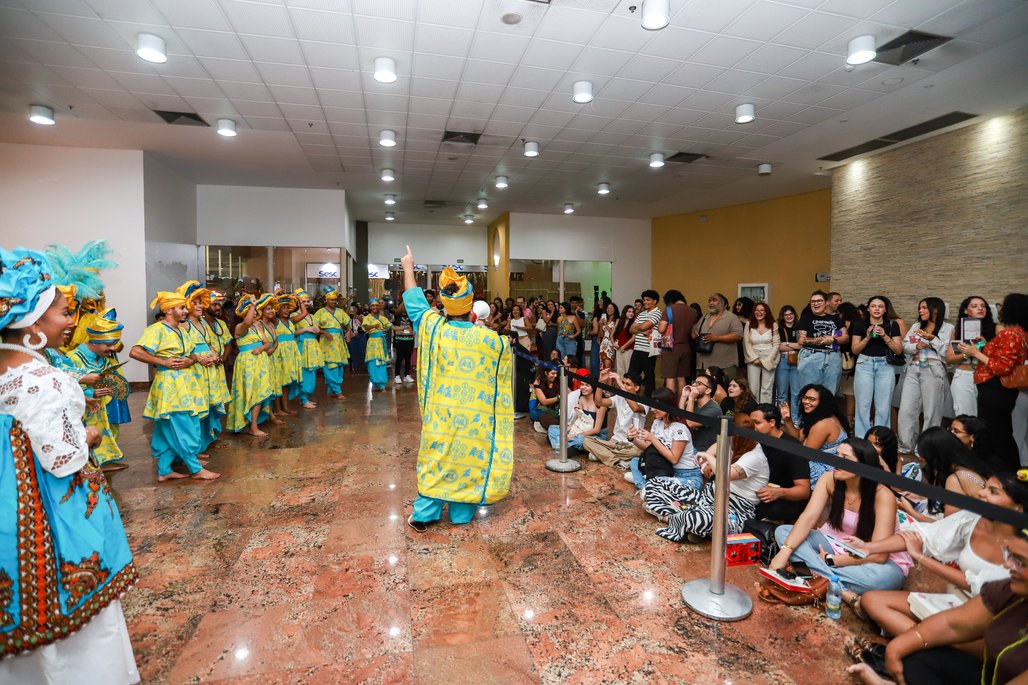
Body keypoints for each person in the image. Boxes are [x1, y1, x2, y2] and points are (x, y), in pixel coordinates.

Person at [0, 248, 141, 683]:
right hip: (45, 509)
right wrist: (90, 435)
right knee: (67, 601)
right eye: (63, 312)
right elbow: (65, 458)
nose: (70, 322)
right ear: (32, 323)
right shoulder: (44, 380)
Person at [399, 247, 513, 532]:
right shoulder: (493, 342)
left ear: (445, 305)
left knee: (438, 459)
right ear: (471, 306)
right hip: (475, 419)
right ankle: (461, 514)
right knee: (468, 459)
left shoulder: (433, 328)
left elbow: (414, 302)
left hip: (442, 417)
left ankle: (424, 515)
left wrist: (409, 268)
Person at [853, 471, 1023, 644]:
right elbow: (922, 535)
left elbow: (982, 585)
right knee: (871, 600)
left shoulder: (1022, 548)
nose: (981, 493)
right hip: (953, 600)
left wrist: (920, 557)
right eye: (985, 487)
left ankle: (920, 644)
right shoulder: (972, 519)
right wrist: (868, 547)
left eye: (993, 492)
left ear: (1019, 507)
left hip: (985, 618)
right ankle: (928, 644)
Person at [847, 527, 1028, 685]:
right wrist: (897, 648)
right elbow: (953, 624)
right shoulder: (1007, 590)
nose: (1008, 565)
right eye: (1010, 555)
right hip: (984, 677)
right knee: (916, 658)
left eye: (1020, 562)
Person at [771, 438, 912, 614]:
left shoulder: (882, 495)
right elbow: (808, 517)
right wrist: (785, 550)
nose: (836, 461)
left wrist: (833, 560)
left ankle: (813, 575)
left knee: (884, 579)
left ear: (863, 465)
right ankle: (844, 592)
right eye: (837, 455)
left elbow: (879, 556)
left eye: (845, 458)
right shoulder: (829, 479)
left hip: (874, 560)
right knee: (783, 532)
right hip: (834, 542)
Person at [129, 291, 221, 482]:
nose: (186, 310)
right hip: (171, 387)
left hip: (185, 384)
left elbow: (193, 353)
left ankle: (164, 470)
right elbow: (135, 351)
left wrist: (191, 360)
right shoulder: (157, 330)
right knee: (185, 426)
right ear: (169, 310)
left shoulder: (180, 330)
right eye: (182, 307)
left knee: (166, 429)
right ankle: (195, 469)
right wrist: (161, 362)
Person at [642, 413, 769, 542]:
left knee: (699, 519)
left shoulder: (755, 456)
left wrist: (709, 458)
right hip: (707, 498)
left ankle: (674, 518)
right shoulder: (736, 443)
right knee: (653, 485)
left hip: (734, 510)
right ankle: (688, 524)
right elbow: (718, 445)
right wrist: (707, 458)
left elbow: (725, 474)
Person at [963, 293, 1028, 473]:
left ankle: (1006, 476)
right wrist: (986, 345)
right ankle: (1002, 473)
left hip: (995, 389)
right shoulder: (1020, 333)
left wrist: (975, 353)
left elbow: (1002, 368)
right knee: (1000, 433)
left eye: (1002, 305)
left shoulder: (1010, 334)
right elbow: (1003, 359)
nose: (999, 309)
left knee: (997, 435)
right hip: (999, 390)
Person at [67, 308, 129, 469]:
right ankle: (92, 461)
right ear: (94, 341)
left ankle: (105, 460)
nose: (113, 349)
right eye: (109, 345)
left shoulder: (104, 356)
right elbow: (66, 382)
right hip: (87, 408)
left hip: (105, 403)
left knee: (110, 428)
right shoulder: (73, 357)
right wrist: (89, 392)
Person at [899, 426, 989, 522]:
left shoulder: (956, 479)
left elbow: (947, 528)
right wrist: (918, 496)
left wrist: (910, 511)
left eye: (926, 458)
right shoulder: (970, 466)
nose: (921, 460)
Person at [625, 387, 701, 491]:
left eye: (657, 407)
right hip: (667, 470)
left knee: (656, 481)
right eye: (652, 406)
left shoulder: (679, 428)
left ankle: (646, 485)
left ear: (668, 406)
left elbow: (674, 459)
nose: (652, 410)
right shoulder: (657, 422)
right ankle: (645, 486)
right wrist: (632, 439)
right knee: (634, 461)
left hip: (687, 476)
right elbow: (648, 447)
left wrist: (653, 439)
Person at [852, 295, 905, 439]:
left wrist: (885, 336)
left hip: (885, 365)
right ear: (868, 308)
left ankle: (880, 440)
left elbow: (898, 350)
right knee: (863, 405)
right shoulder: (859, 324)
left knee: (883, 407)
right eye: (873, 306)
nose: (877, 309)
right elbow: (855, 350)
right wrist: (867, 337)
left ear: (885, 309)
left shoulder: (893, 325)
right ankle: (861, 439)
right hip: (864, 364)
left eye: (880, 306)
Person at [224, 294, 276, 437]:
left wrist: (261, 349)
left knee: (259, 392)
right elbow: (247, 323)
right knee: (250, 393)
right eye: (251, 312)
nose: (254, 314)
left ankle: (253, 425)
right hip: (247, 363)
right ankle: (251, 426)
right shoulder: (240, 327)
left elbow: (267, 343)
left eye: (255, 311)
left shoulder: (257, 327)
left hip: (260, 362)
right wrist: (252, 304)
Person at [750, 404, 810, 523]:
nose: (753, 428)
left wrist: (779, 492)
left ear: (772, 422)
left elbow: (804, 491)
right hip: (757, 491)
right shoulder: (755, 439)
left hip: (784, 499)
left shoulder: (792, 447)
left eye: (757, 423)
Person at [781, 384, 849, 487]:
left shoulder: (822, 424)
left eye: (812, 399)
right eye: (805, 397)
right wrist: (787, 420)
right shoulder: (818, 417)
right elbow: (798, 438)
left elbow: (804, 455)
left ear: (822, 402)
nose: (806, 402)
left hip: (827, 470)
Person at [585, 370, 647, 469]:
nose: (624, 386)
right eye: (623, 383)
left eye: (628, 384)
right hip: (614, 442)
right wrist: (600, 382)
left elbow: (635, 408)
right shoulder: (619, 397)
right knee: (586, 441)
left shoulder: (644, 402)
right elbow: (599, 402)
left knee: (637, 452)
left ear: (636, 388)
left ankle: (604, 456)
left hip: (631, 445)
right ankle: (618, 461)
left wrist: (620, 385)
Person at [945, 296, 996, 417]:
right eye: (974, 306)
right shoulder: (958, 331)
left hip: (989, 378)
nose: (980, 308)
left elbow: (1003, 358)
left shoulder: (996, 329)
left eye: (983, 306)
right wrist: (966, 353)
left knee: (988, 418)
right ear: (965, 310)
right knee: (965, 418)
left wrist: (986, 345)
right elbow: (949, 359)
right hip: (964, 376)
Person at [796, 289, 848, 395]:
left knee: (830, 393)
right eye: (813, 301)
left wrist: (833, 339)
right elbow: (802, 340)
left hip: (833, 357)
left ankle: (827, 412)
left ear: (826, 303)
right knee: (809, 392)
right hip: (811, 356)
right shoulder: (806, 318)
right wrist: (824, 340)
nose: (816, 304)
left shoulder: (836, 319)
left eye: (819, 301)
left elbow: (846, 337)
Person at [546, 368, 607, 453]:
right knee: (552, 428)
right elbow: (579, 419)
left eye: (587, 385)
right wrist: (569, 428)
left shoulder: (601, 404)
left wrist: (575, 435)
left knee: (581, 440)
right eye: (582, 384)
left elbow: (596, 430)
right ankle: (565, 447)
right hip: (580, 429)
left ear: (593, 387)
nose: (583, 387)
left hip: (595, 434)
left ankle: (562, 444)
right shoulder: (581, 398)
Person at [692, 293, 744, 380]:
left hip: (724, 364)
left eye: (714, 300)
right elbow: (694, 330)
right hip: (703, 364)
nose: (711, 303)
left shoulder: (732, 317)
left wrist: (717, 338)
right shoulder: (704, 317)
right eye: (709, 301)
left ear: (723, 304)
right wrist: (693, 334)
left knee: (725, 390)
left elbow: (738, 336)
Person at [658, 289, 698, 397]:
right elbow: (693, 333)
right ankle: (681, 406)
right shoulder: (692, 312)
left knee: (670, 378)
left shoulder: (669, 310)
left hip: (670, 349)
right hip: (686, 348)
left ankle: (670, 407)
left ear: (669, 300)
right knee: (682, 378)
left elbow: (661, 329)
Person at [290, 289, 324, 409]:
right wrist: (306, 330)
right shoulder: (294, 315)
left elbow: (316, 329)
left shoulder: (313, 316)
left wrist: (317, 330)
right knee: (304, 372)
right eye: (303, 301)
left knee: (312, 372)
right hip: (302, 345)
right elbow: (291, 333)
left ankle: (306, 397)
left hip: (313, 346)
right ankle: (303, 398)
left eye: (307, 301)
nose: (306, 303)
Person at [313, 290, 350, 399]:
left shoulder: (340, 311)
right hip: (327, 342)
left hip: (339, 342)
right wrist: (324, 332)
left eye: (335, 300)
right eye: (331, 300)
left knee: (339, 367)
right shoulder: (320, 312)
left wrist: (348, 332)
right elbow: (314, 328)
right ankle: (338, 391)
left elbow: (347, 324)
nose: (334, 302)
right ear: (326, 300)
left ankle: (331, 390)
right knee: (330, 366)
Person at [678, 373, 724, 453]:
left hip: (705, 451)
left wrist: (691, 398)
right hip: (691, 447)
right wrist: (684, 396)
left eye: (698, 384)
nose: (694, 385)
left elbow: (690, 423)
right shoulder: (692, 404)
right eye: (694, 382)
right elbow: (680, 419)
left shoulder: (713, 409)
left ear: (708, 390)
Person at [744, 301, 780, 403]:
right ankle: (754, 410)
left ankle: (765, 412)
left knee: (767, 388)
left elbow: (776, 344)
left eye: (762, 310)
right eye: (757, 310)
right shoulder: (749, 324)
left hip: (769, 358)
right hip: (753, 358)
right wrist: (754, 358)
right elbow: (746, 343)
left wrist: (767, 361)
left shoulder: (773, 325)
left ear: (766, 312)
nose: (759, 312)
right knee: (753, 387)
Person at [629, 289, 662, 396]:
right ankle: (631, 397)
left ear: (655, 301)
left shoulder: (657, 313)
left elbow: (640, 326)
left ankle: (649, 401)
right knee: (631, 375)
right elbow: (631, 329)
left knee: (649, 378)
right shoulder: (642, 314)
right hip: (637, 349)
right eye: (644, 300)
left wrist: (639, 328)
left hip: (649, 351)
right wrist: (643, 330)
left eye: (648, 300)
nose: (645, 302)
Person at [273, 294, 303, 415]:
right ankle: (278, 409)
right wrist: (274, 296)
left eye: (288, 308)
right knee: (278, 381)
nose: (286, 310)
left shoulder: (291, 321)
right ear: (277, 309)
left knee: (286, 382)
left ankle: (285, 407)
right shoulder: (275, 321)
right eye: (283, 308)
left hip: (290, 354)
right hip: (279, 353)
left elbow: (304, 314)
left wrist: (300, 301)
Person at [776, 304, 802, 421]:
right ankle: (783, 417)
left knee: (796, 392)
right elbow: (778, 347)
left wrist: (786, 344)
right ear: (782, 316)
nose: (789, 316)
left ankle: (795, 418)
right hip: (782, 360)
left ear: (794, 315)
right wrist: (794, 346)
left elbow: (802, 345)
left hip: (797, 361)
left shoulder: (799, 327)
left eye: (791, 314)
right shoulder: (779, 328)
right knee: (782, 393)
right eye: (786, 315)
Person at [362, 298, 392, 391]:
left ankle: (382, 385)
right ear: (370, 307)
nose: (375, 307)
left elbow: (391, 326)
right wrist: (374, 326)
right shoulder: (367, 318)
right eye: (372, 306)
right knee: (372, 363)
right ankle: (374, 384)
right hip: (372, 343)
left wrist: (403, 328)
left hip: (380, 342)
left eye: (376, 305)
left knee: (381, 363)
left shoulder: (383, 318)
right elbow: (365, 327)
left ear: (379, 307)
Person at [530, 365, 560, 433]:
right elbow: (544, 401)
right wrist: (559, 398)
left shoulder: (558, 381)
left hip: (556, 409)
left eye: (556, 373)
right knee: (534, 414)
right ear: (546, 373)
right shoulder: (538, 383)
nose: (555, 375)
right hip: (543, 409)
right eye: (552, 373)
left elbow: (569, 392)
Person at [393, 299, 415, 384]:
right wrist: (405, 299)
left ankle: (407, 375)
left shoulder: (411, 316)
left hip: (409, 339)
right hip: (400, 339)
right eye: (404, 306)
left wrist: (412, 329)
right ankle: (397, 375)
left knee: (408, 358)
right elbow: (397, 310)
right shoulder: (397, 315)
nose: (405, 308)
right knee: (399, 358)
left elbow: (415, 325)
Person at [613, 304, 635, 377]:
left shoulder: (634, 323)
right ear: (625, 312)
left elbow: (633, 338)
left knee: (628, 370)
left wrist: (624, 347)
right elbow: (614, 335)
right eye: (629, 311)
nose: (631, 313)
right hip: (618, 349)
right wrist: (614, 343)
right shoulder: (620, 322)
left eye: (632, 312)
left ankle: (627, 387)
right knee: (620, 370)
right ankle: (621, 387)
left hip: (628, 349)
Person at [599, 301, 620, 371]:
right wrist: (601, 324)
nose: (609, 310)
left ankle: (610, 382)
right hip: (603, 344)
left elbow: (614, 334)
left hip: (611, 343)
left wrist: (605, 324)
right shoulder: (605, 320)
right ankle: (604, 381)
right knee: (603, 366)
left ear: (615, 309)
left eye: (611, 308)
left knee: (608, 365)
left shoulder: (617, 320)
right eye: (608, 308)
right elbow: (601, 335)